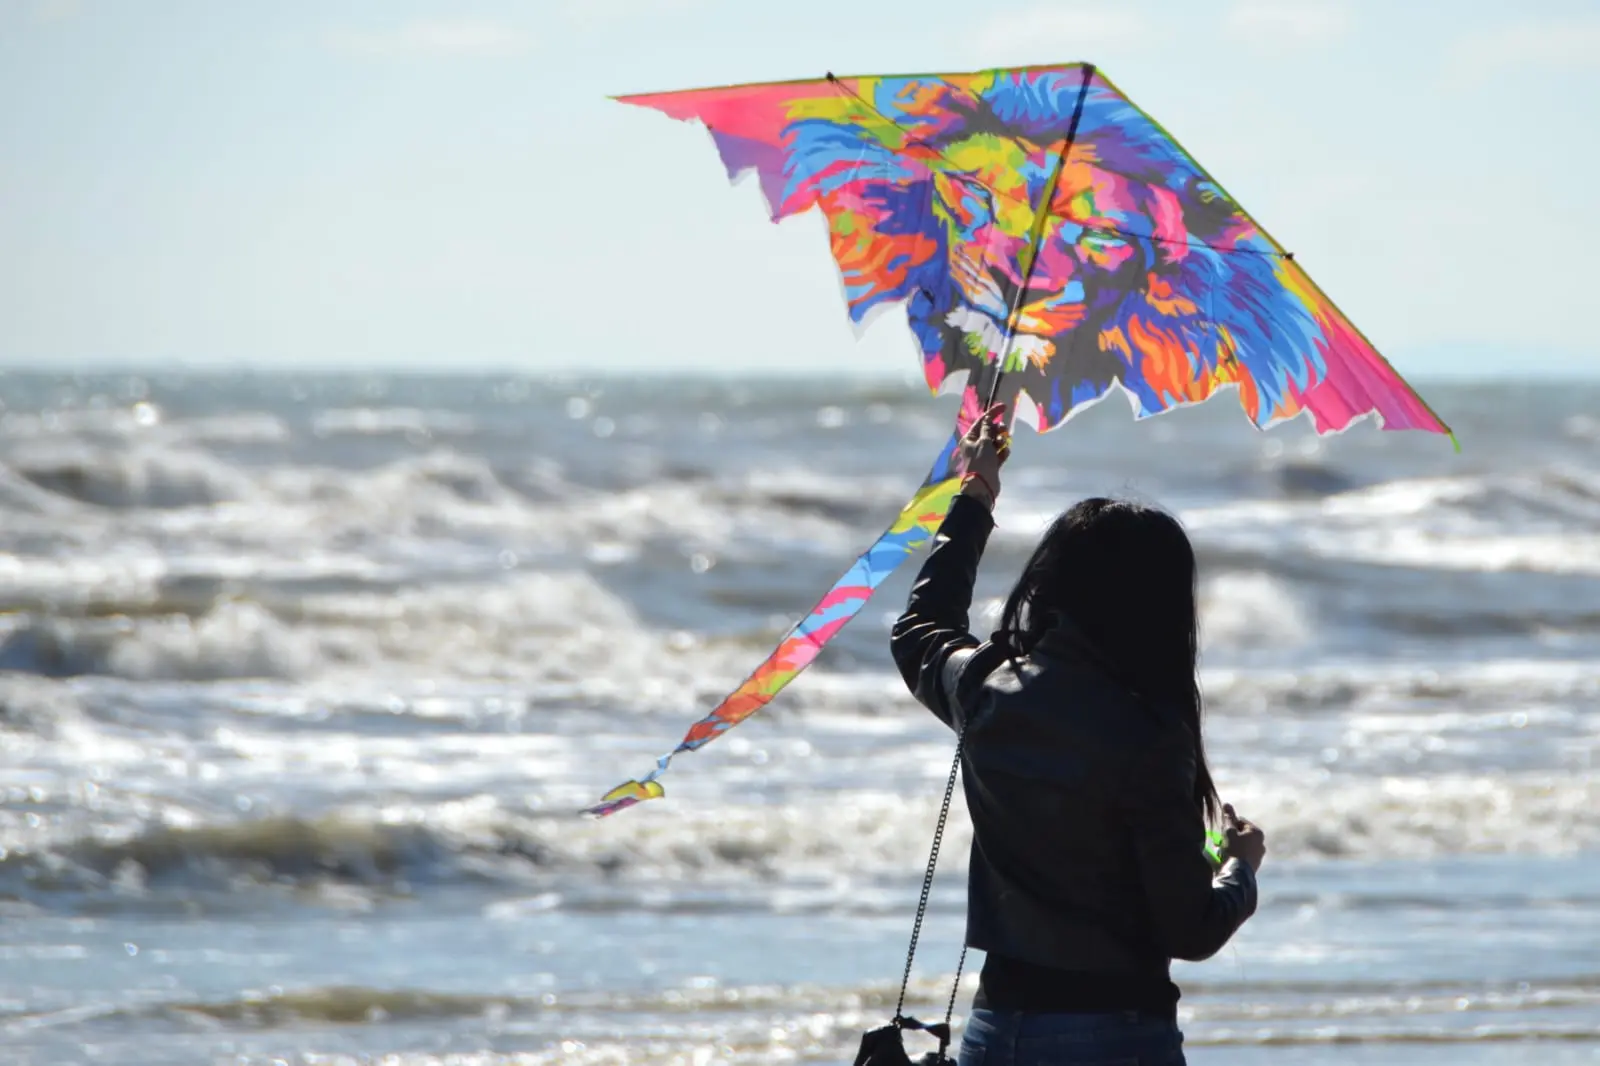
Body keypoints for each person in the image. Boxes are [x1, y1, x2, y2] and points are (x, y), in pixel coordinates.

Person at [890, 403, 1267, 1066]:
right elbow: (1189, 927)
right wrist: (1239, 865)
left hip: (994, 1030)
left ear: (1051, 583)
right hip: (1115, 1032)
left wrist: (976, 494)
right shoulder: (1150, 733)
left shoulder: (985, 687)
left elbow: (920, 627)